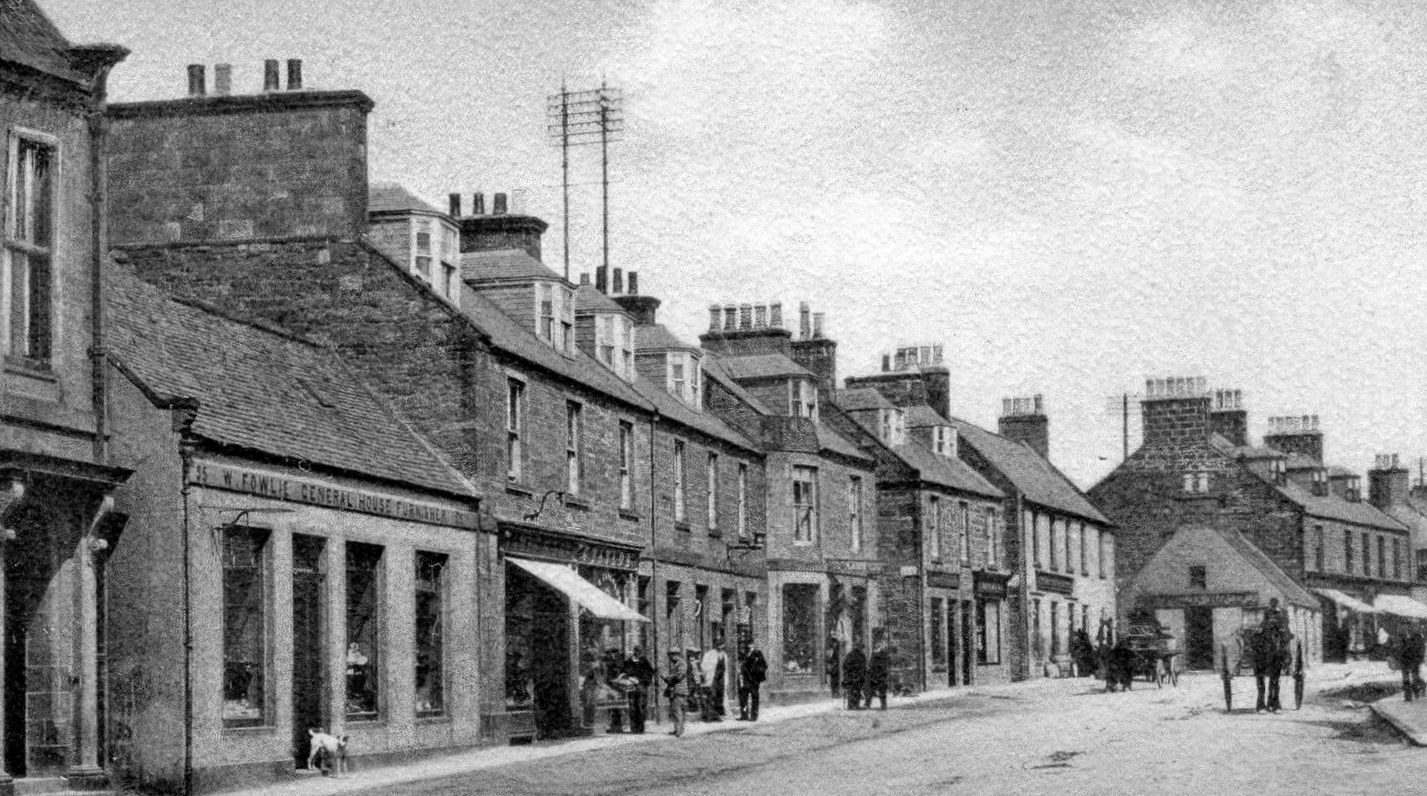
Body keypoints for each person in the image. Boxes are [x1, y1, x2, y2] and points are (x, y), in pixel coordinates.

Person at [624, 646, 655, 733]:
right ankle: (633, 729)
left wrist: (643, 682)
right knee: (632, 708)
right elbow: (624, 673)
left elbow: (650, 672)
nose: (637, 653)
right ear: (634, 651)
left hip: (641, 687)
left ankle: (640, 728)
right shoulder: (629, 662)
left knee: (641, 707)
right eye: (636, 651)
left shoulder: (644, 661)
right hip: (631, 687)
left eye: (639, 651)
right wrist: (630, 678)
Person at [738, 644, 768, 721]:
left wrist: (757, 674)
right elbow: (743, 666)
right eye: (749, 646)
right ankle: (744, 715)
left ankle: (754, 716)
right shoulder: (744, 654)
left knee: (754, 697)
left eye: (751, 646)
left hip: (754, 680)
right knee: (743, 697)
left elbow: (764, 666)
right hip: (745, 679)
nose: (750, 647)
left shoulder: (758, 654)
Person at [662, 650, 688, 737]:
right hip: (675, 690)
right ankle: (678, 729)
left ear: (676, 655)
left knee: (677, 710)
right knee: (675, 710)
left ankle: (679, 730)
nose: (670, 658)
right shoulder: (676, 664)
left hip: (679, 691)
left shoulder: (681, 664)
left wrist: (667, 677)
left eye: (671, 656)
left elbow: (679, 676)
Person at [1399, 626, 1425, 702]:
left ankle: (1418, 690)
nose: (1407, 630)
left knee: (1415, 678)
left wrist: (1418, 659)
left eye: (1409, 628)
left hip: (1414, 660)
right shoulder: (1402, 637)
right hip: (1404, 660)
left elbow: (1421, 650)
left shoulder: (1418, 638)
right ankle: (1407, 697)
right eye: (1406, 628)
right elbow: (1399, 648)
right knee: (1406, 679)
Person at [865, 641, 891, 710]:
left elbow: (871, 665)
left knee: (871, 691)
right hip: (881, 676)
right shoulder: (885, 656)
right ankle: (883, 706)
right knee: (881, 692)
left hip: (875, 676)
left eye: (877, 646)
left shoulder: (875, 655)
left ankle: (867, 705)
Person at [842, 643, 867, 710]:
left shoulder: (849, 655)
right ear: (861, 649)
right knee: (857, 691)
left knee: (850, 691)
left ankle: (850, 706)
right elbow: (863, 668)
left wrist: (846, 676)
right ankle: (856, 705)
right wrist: (863, 677)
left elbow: (844, 666)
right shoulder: (862, 656)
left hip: (849, 677)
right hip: (858, 677)